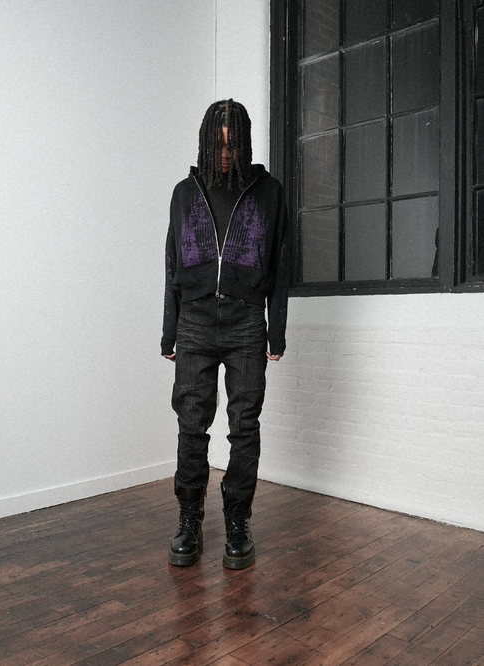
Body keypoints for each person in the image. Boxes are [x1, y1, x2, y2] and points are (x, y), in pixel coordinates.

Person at [161, 99, 289, 569]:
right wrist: (169, 332)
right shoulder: (184, 193)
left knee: (244, 425)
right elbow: (172, 262)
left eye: (233, 143)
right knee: (192, 425)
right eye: (218, 144)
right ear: (205, 143)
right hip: (194, 321)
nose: (226, 152)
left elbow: (281, 265)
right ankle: (189, 519)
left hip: (246, 322)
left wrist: (277, 331)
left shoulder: (268, 192)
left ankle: (238, 521)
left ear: (245, 142)